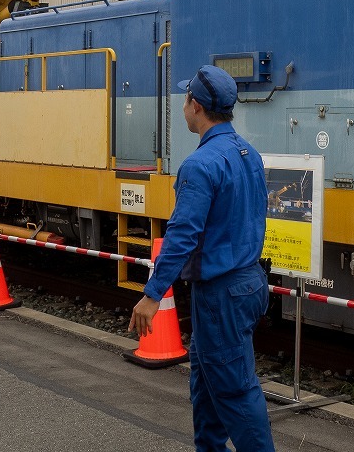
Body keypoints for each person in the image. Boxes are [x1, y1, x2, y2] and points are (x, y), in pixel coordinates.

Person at [128, 65, 274, 452]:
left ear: (195, 105)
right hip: (248, 283)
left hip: (220, 294)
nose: (183, 106)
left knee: (236, 392)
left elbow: (182, 235)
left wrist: (152, 294)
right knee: (207, 382)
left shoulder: (199, 165)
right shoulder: (250, 154)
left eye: (185, 99)